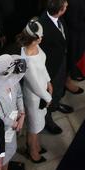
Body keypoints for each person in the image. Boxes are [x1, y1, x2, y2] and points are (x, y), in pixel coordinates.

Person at [19, 19, 52, 162]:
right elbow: (35, 85)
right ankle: (31, 150)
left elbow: (42, 65)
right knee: (34, 126)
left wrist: (49, 81)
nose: (43, 37)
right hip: (35, 97)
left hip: (43, 92)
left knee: (39, 123)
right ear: (35, 39)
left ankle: (36, 145)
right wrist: (48, 97)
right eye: (41, 35)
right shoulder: (26, 60)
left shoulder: (36, 47)